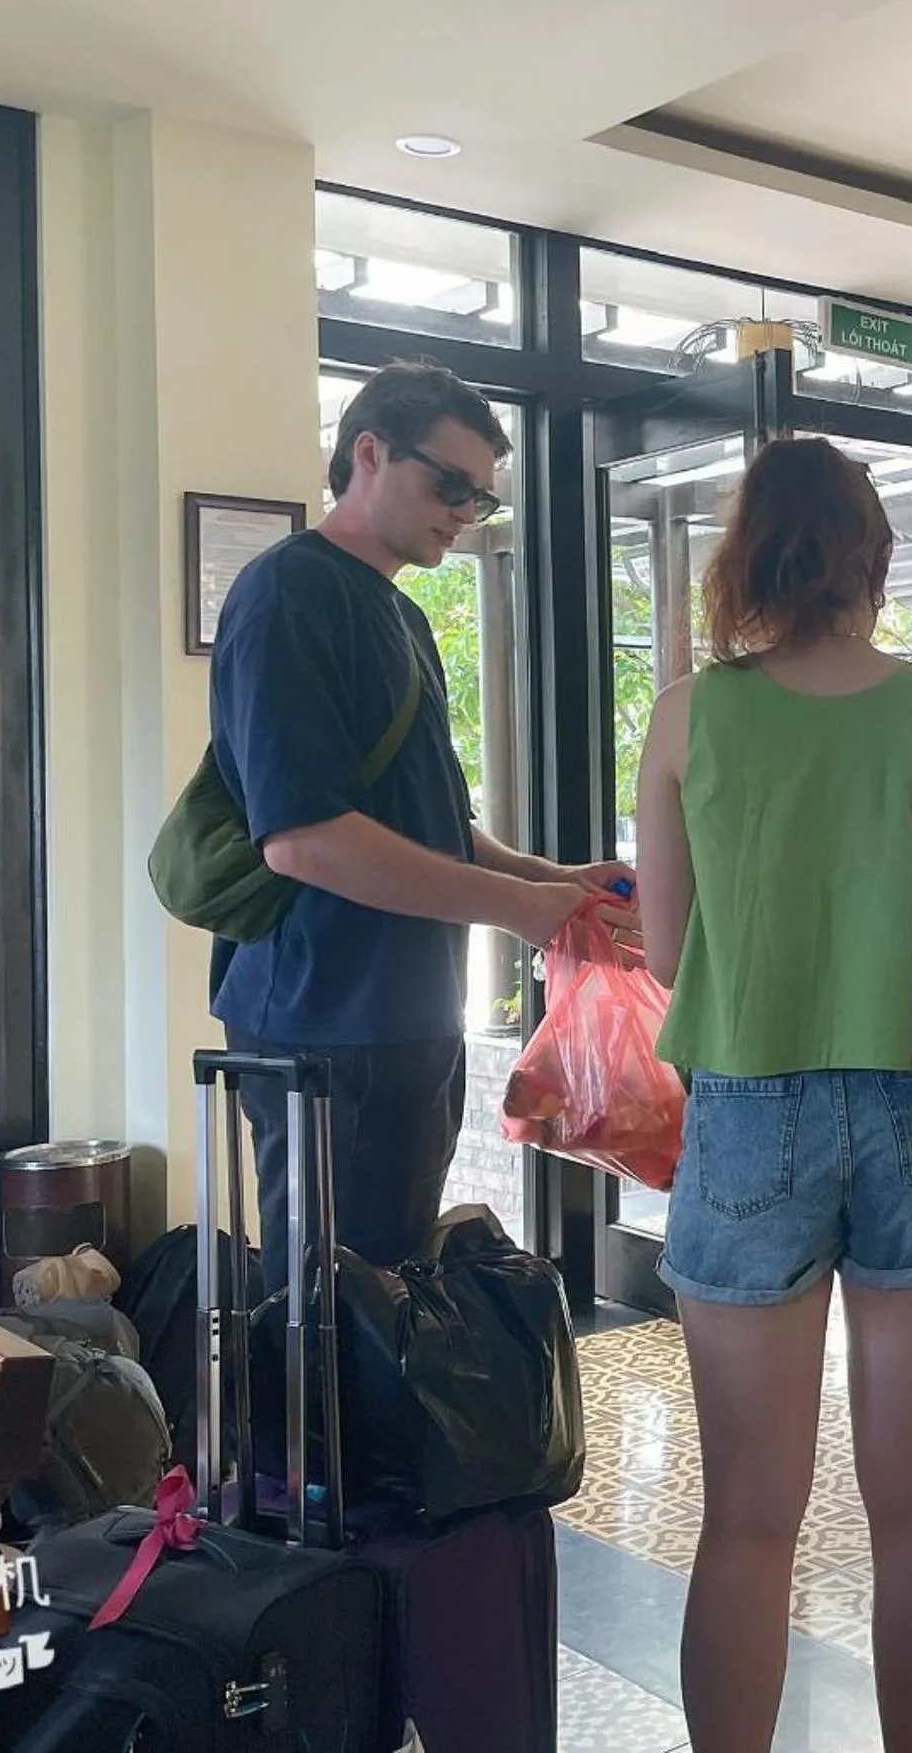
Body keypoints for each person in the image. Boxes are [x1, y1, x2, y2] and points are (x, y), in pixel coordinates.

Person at [633, 436, 912, 1753]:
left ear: (744, 559)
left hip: (750, 1111)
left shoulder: (692, 713)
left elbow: (664, 953)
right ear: (875, 558)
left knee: (748, 1517)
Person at [209, 359, 633, 1271]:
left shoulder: (401, 615)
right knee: (333, 1318)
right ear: (368, 451)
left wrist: (552, 881)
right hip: (327, 1019)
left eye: (479, 499)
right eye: (449, 484)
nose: (462, 511)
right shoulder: (290, 592)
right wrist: (513, 909)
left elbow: (429, 823)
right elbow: (303, 839)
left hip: (401, 1017)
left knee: (388, 1296)